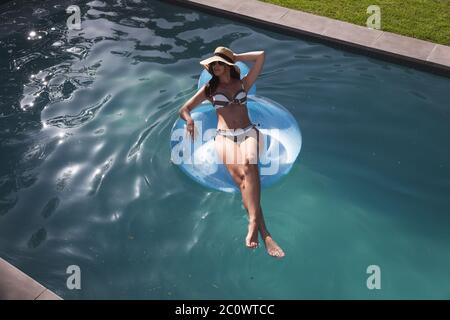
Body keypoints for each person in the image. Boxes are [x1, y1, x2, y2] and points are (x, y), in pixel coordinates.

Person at [178, 46, 284, 258]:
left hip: (247, 132)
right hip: (224, 136)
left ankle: (254, 223)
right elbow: (184, 108)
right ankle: (265, 234)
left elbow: (261, 56)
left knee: (249, 164)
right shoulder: (210, 88)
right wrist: (189, 121)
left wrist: (235, 56)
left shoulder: (243, 82)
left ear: (227, 64)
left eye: (219, 62)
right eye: (213, 64)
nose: (215, 66)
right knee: (242, 182)